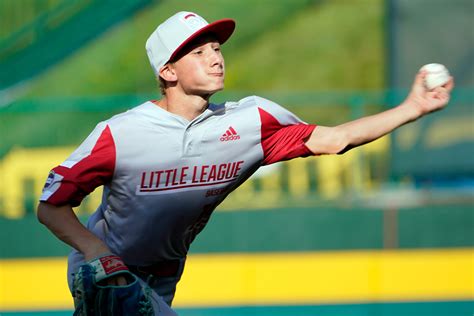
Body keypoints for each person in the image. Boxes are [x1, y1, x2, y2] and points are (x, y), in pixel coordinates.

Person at [37, 11, 454, 315]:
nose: (216, 58)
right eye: (198, 52)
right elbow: (50, 205)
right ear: (167, 71)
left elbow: (336, 139)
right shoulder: (121, 134)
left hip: (164, 276)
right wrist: (97, 253)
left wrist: (413, 107)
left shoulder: (250, 122)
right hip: (109, 274)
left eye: (216, 48)